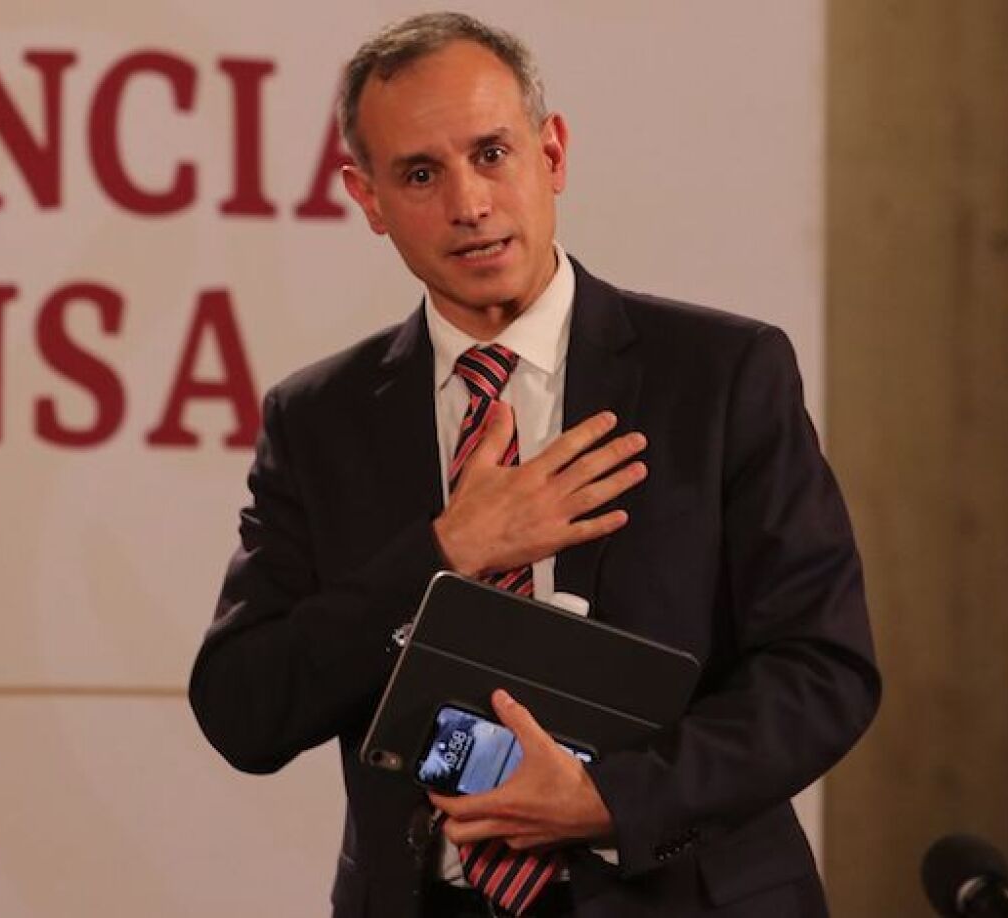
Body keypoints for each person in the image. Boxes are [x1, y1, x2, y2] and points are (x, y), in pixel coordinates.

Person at [189, 12, 879, 918]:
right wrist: (444, 550)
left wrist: (609, 800)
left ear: (551, 155)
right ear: (367, 198)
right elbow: (245, 707)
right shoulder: (318, 421)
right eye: (422, 174)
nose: (469, 205)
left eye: (492, 154)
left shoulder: (718, 376)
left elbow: (824, 671)